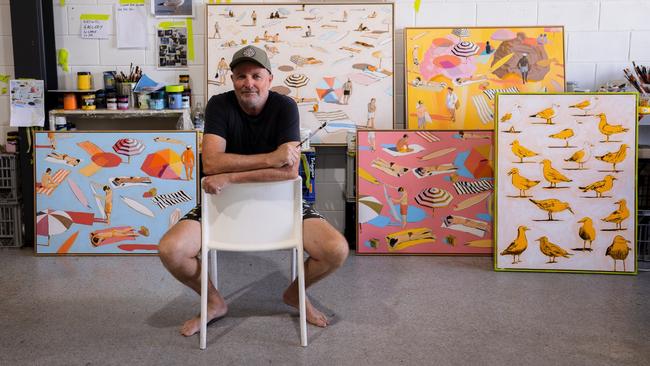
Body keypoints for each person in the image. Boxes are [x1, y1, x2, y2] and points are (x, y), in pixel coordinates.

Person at [158, 45, 349, 337]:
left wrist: (231, 176)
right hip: (220, 202)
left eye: (256, 75)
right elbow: (210, 163)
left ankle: (295, 294)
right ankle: (213, 303)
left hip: (282, 204)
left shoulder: (285, 106)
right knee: (171, 250)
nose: (249, 83)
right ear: (232, 80)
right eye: (241, 76)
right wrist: (270, 158)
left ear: (269, 79)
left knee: (336, 249)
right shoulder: (219, 105)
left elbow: (288, 171)